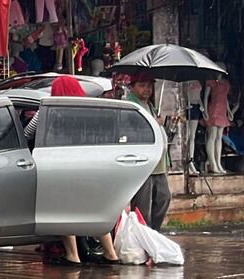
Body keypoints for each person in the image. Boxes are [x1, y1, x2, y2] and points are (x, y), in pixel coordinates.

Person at [24, 76, 120, 266]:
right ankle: (111, 254)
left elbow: (27, 133)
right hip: (88, 167)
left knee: (63, 211)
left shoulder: (47, 111)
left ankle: (72, 255)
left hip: (61, 167)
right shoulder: (90, 111)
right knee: (93, 211)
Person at [127, 74, 171, 231]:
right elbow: (132, 129)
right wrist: (154, 123)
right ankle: (143, 236)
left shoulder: (149, 105)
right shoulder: (130, 105)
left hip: (158, 163)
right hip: (144, 162)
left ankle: (153, 232)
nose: (147, 89)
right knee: (142, 206)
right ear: (133, 86)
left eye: (149, 86)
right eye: (142, 85)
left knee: (163, 198)